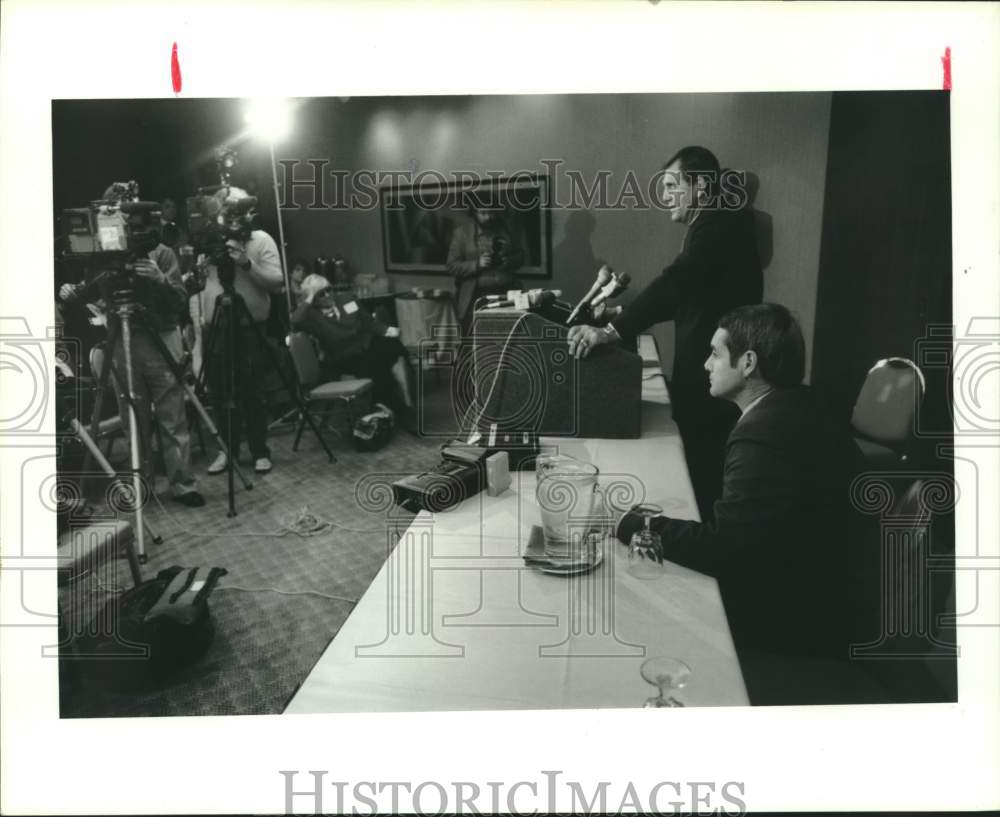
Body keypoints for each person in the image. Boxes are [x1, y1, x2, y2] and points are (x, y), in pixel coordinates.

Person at [616, 304, 871, 705]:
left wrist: (631, 524)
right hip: (835, 588)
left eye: (715, 354)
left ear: (748, 362)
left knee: (644, 610)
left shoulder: (763, 433)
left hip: (807, 619)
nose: (705, 365)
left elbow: (724, 547)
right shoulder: (795, 404)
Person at [568, 146, 762, 523]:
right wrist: (619, 312)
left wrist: (610, 331)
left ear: (701, 186)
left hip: (715, 374)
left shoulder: (718, 222)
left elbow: (677, 284)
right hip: (708, 370)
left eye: (673, 185)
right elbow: (690, 295)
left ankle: (704, 553)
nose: (664, 195)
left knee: (703, 472)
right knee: (696, 464)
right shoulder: (716, 222)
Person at [58, 243, 205, 507]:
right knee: (132, 417)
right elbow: (89, 291)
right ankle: (142, 485)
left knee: (171, 415)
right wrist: (71, 293)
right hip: (122, 340)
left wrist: (160, 279)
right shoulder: (103, 255)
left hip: (160, 334)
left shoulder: (161, 253)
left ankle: (183, 484)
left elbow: (180, 299)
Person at [200, 190, 284, 475]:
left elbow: (276, 282)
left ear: (249, 211)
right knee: (221, 393)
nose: (232, 217)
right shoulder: (212, 241)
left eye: (237, 210)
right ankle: (227, 450)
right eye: (226, 210)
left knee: (253, 391)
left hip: (250, 328)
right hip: (217, 329)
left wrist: (246, 263)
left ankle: (260, 451)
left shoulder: (261, 240)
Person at [292, 274, 415, 422]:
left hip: (365, 344)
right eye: (321, 294)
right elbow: (295, 321)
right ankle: (397, 409)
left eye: (328, 290)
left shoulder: (347, 299)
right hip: (343, 357)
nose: (327, 295)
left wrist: (387, 330)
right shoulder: (311, 316)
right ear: (313, 299)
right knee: (378, 363)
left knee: (392, 345)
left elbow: (367, 322)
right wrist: (309, 297)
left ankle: (405, 404)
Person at [447, 202, 526, 334]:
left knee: (504, 337)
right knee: (474, 339)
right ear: (474, 213)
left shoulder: (507, 230)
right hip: (475, 297)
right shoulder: (462, 234)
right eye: (483, 213)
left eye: (491, 212)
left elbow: (521, 256)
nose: (488, 217)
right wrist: (477, 264)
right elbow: (452, 266)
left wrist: (508, 261)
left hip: (506, 293)